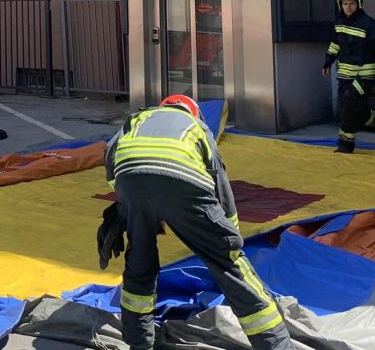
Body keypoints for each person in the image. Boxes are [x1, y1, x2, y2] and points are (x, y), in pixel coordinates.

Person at [102, 95, 290, 350]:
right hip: (185, 184)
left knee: (139, 264)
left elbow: (111, 158)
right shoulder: (197, 127)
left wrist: (130, 207)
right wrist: (228, 239)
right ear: (193, 112)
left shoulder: (138, 119)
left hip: (131, 183)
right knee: (229, 266)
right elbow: (220, 186)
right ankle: (276, 344)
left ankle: (139, 343)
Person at [320, 0, 375, 153]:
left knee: (350, 103)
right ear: (340, 5)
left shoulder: (368, 23)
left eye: (352, 3)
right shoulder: (339, 22)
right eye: (345, 4)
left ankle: (345, 145)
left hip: (364, 76)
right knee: (353, 109)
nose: (348, 7)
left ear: (358, 4)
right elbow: (335, 44)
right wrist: (328, 61)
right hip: (345, 75)